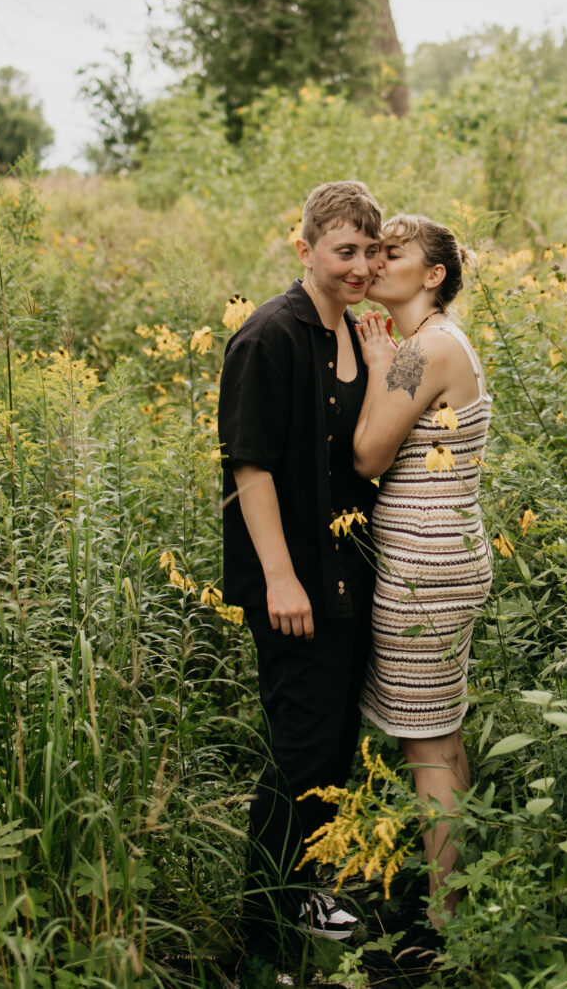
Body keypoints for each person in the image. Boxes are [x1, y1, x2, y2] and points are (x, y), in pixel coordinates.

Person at [218, 181, 383, 970]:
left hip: (349, 573)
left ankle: (309, 887)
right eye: (343, 250)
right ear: (306, 247)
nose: (358, 266)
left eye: (369, 252)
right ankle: (262, 934)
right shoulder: (267, 337)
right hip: (294, 582)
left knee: (335, 747)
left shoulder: (353, 332)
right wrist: (281, 578)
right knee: (297, 751)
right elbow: (250, 465)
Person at [352, 214, 492, 957]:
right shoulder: (437, 341)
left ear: (433, 274)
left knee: (427, 744)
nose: (376, 261)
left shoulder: (424, 348)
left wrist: (378, 366)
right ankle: (458, 897)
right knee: (444, 732)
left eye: (392, 252)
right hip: (446, 556)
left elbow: (371, 453)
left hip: (424, 568)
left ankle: (445, 927)